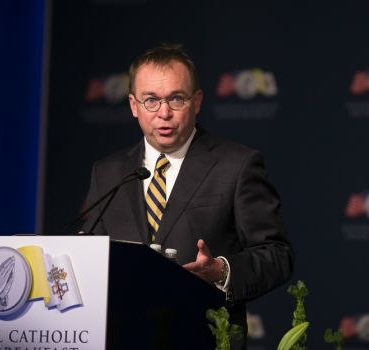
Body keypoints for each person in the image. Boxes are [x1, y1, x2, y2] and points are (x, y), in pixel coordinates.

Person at [81, 44, 294, 346]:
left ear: (197, 101)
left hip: (203, 338)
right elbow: (92, 256)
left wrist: (222, 271)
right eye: (151, 100)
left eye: (176, 99)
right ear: (133, 105)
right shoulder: (108, 172)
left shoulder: (236, 165)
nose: (164, 113)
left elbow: (276, 254)